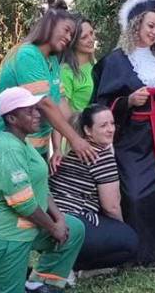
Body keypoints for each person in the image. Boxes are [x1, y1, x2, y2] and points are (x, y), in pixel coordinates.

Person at [92, 0, 155, 264]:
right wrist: (128, 102)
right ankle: (137, 251)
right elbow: (99, 107)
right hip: (133, 140)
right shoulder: (114, 61)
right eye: (150, 26)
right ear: (136, 24)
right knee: (135, 194)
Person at [0, 87, 85, 293]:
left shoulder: (22, 141)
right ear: (12, 118)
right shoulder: (8, 149)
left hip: (24, 228)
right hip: (2, 236)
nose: (38, 114)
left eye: (36, 109)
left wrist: (59, 219)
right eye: (29, 111)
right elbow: (23, 203)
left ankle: (39, 284)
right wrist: (52, 227)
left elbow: (40, 185)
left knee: (72, 228)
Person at [0, 8, 97, 163]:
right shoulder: (27, 55)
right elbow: (44, 103)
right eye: (66, 30)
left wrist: (80, 136)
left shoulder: (52, 61)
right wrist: (75, 140)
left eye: (71, 35)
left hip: (39, 147)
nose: (68, 37)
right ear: (50, 25)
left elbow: (61, 102)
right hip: (16, 147)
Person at [49, 104, 139, 272]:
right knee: (130, 242)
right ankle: (73, 267)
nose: (110, 129)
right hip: (72, 222)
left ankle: (66, 262)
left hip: (52, 219)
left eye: (112, 124)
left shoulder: (74, 149)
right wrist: (120, 229)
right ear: (88, 131)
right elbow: (111, 206)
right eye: (103, 125)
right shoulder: (100, 156)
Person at [50, 15, 97, 173]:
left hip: (99, 135)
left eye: (92, 33)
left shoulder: (97, 66)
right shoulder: (66, 72)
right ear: (73, 42)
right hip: (78, 138)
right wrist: (57, 149)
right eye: (84, 37)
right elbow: (58, 112)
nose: (91, 39)